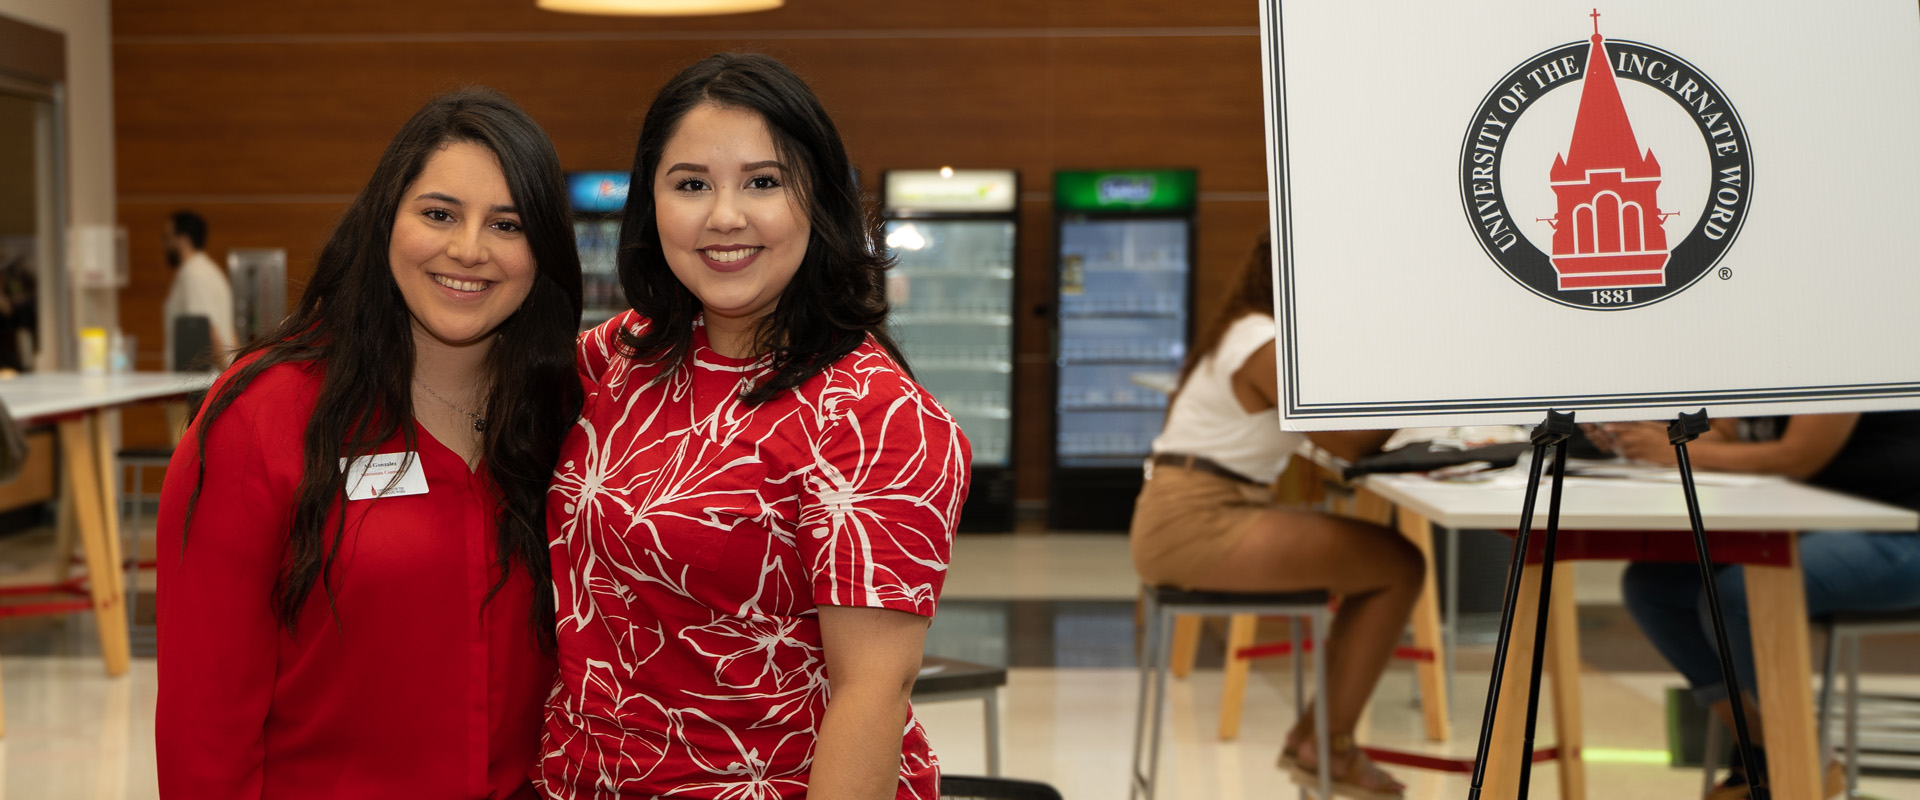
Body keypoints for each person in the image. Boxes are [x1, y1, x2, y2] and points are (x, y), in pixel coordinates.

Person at [537, 54, 969, 800]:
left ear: (819, 198)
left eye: (763, 182)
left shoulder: (873, 416)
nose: (724, 216)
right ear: (651, 205)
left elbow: (871, 696)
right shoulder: (626, 353)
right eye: (691, 184)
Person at [154, 87, 584, 799]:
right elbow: (205, 720)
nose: (468, 250)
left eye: (507, 224)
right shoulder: (262, 416)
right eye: (439, 213)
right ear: (386, 219)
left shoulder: (568, 415)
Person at [1130, 230, 1420, 799]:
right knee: (1398, 564)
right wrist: (1420, 383)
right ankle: (1326, 744)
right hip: (1198, 521)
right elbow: (1349, 442)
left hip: (1192, 510)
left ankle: (1321, 740)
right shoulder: (1261, 340)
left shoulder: (1246, 331)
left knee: (1386, 562)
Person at [1603, 412, 1920, 799]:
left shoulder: (1834, 373)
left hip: (1901, 532)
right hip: (1810, 526)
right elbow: (1730, 435)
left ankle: (1802, 767)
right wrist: (1643, 439)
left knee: (1742, 596)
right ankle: (1763, 752)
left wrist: (1676, 451)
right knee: (1655, 588)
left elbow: (1799, 457)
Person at [162, 209, 238, 369]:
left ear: (183, 240)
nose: (165, 245)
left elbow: (209, 331)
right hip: (211, 376)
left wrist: (231, 378)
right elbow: (229, 330)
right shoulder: (209, 271)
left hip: (203, 378)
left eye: (167, 237)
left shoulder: (194, 275)